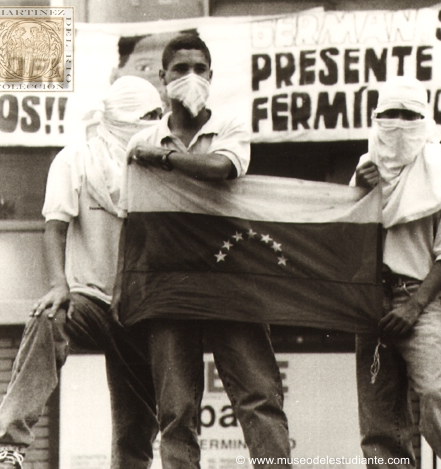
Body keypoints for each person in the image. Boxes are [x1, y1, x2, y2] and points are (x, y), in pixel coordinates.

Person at [125, 33, 290, 469]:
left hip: (231, 281)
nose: (191, 77)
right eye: (180, 69)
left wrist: (162, 160)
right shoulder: (140, 139)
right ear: (162, 77)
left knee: (259, 397)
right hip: (169, 285)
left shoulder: (229, 127)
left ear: (212, 76)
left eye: (200, 68)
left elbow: (222, 168)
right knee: (176, 410)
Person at [0, 76, 163, 469]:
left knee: (136, 427)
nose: (154, 123)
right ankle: (7, 446)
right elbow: (55, 225)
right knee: (49, 319)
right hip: (91, 300)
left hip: (141, 308)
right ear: (119, 118)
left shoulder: (160, 164)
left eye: (158, 115)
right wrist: (58, 285)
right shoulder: (76, 159)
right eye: (145, 116)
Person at [352, 76, 441, 469]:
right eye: (389, 114)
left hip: (420, 298)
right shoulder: (365, 170)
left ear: (425, 119)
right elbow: (349, 238)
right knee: (379, 418)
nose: (398, 123)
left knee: (434, 395)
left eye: (409, 115)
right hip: (369, 300)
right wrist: (359, 194)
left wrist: (414, 306)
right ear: (376, 118)